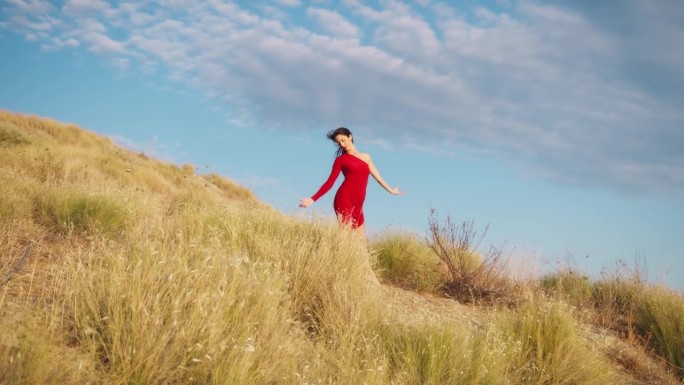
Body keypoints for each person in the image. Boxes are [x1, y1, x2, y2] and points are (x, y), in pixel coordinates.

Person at [299, 127, 402, 236]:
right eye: (339, 143)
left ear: (350, 136)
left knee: (361, 242)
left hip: (358, 203)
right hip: (344, 200)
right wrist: (312, 199)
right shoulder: (340, 160)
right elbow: (330, 182)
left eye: (343, 140)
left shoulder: (366, 157)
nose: (342, 144)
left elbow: (378, 178)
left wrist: (390, 190)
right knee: (346, 239)